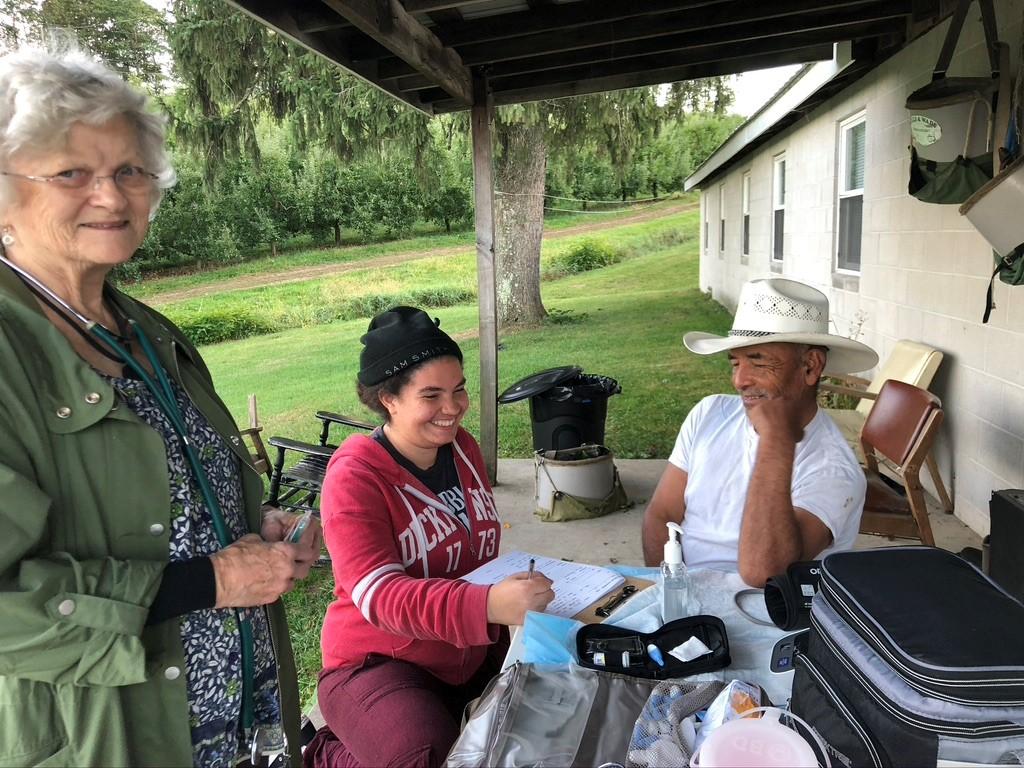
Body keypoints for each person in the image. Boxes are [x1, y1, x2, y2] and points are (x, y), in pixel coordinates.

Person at [0, 45, 319, 767]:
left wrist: (250, 527)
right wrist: (209, 579)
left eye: (130, 171)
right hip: (108, 738)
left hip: (243, 721)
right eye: (71, 173)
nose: (111, 197)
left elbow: (168, 497)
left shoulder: (142, 328)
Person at [305, 306, 555, 768]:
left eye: (459, 389)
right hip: (379, 663)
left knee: (554, 707)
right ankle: (325, 753)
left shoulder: (462, 448)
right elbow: (380, 597)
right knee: (424, 758)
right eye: (432, 395)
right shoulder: (355, 474)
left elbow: (476, 557)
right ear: (389, 400)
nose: (453, 407)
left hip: (468, 650)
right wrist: (488, 606)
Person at [642, 278, 879, 587]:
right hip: (680, 594)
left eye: (758, 362)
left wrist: (777, 441)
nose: (740, 380)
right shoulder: (710, 413)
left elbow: (765, 573)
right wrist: (669, 594)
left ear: (810, 366)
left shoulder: (833, 469)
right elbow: (661, 514)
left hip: (762, 620)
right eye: (735, 363)